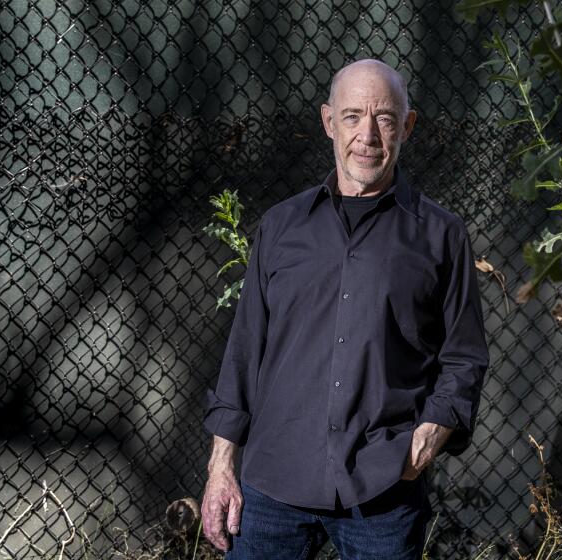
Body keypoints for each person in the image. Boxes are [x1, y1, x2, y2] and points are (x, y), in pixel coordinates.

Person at [201, 58, 489, 559]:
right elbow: (244, 352)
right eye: (353, 116)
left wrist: (428, 437)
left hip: (382, 490)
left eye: (385, 118)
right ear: (329, 122)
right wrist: (221, 468)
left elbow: (464, 357)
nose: (368, 135)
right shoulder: (282, 226)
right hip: (274, 485)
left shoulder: (442, 235)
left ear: (408, 125)